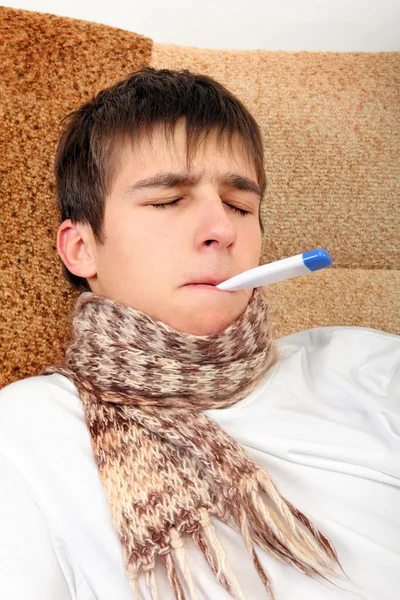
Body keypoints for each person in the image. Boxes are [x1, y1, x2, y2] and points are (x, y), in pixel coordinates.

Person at [0, 67, 398, 600]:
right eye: (168, 200)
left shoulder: (366, 366)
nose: (223, 229)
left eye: (240, 205)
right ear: (81, 249)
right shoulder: (26, 433)